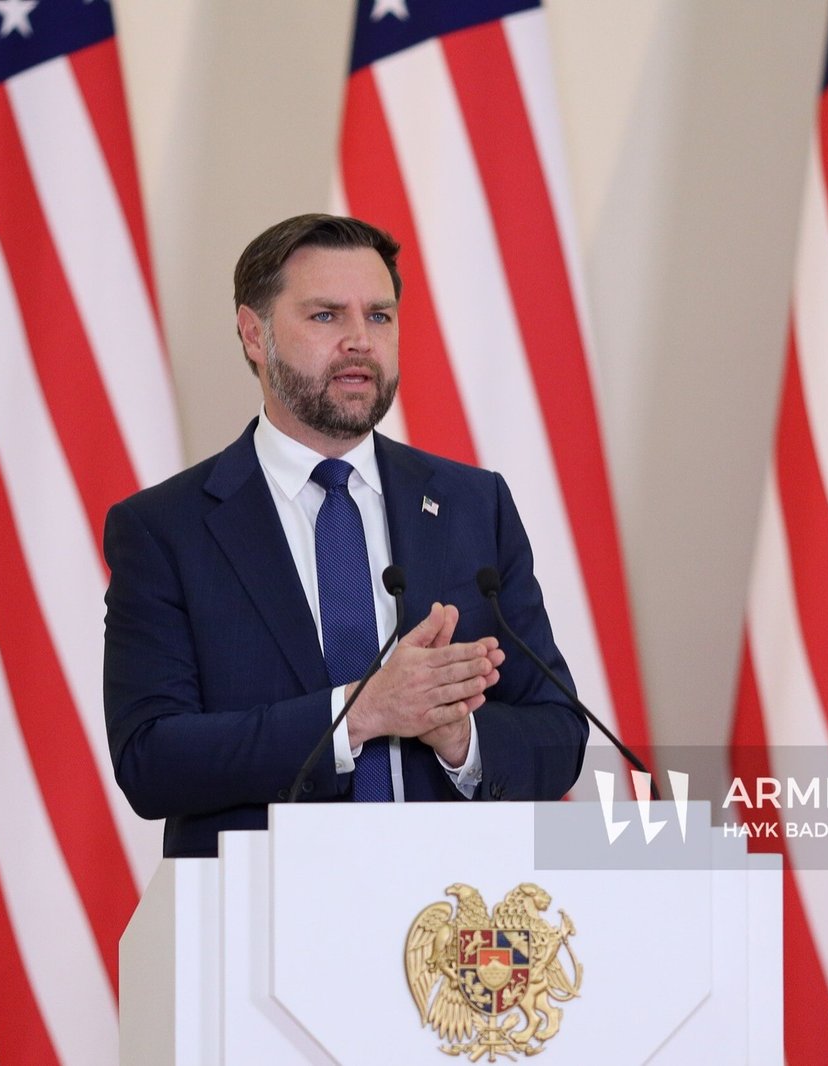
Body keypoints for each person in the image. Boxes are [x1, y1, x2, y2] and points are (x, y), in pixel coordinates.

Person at [102, 214, 589, 857]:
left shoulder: (474, 505)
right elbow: (151, 760)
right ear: (255, 334)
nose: (361, 340)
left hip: (447, 921)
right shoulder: (166, 530)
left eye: (380, 316)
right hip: (262, 919)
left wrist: (460, 736)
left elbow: (559, 734)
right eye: (327, 316)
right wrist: (359, 714)